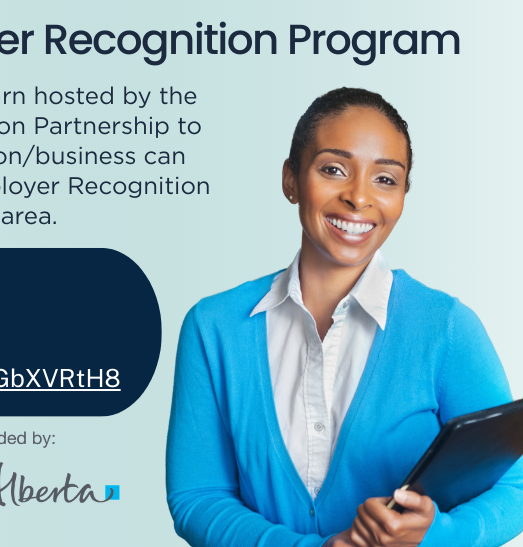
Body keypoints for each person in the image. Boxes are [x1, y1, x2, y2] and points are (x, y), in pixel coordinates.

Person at [166, 87, 523, 547]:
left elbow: (515, 487)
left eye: (386, 179)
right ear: (291, 179)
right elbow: (198, 496)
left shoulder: (447, 327)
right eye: (333, 169)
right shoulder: (212, 328)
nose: (359, 197)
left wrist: (437, 536)